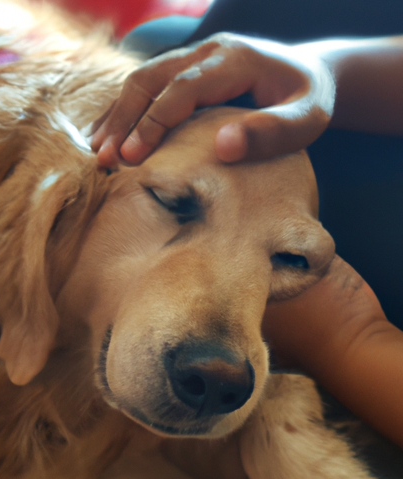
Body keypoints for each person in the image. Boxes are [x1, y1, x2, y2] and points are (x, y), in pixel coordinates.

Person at [90, 32, 403, 449]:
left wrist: (348, 338)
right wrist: (315, 69)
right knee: (152, 33)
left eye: (292, 258)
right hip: (225, 55)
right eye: (175, 203)